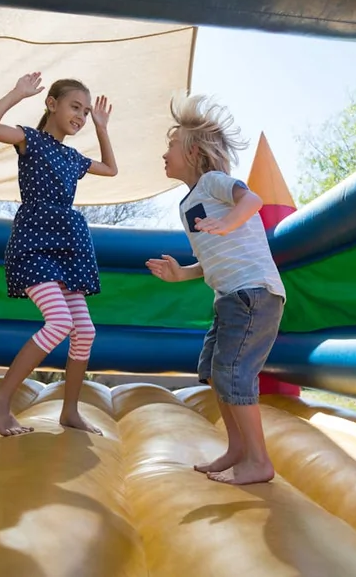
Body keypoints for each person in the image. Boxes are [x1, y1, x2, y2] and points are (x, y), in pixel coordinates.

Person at [146, 94, 285, 485]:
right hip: (229, 297)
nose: (164, 153)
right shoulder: (189, 203)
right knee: (213, 370)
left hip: (253, 294)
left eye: (171, 145)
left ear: (192, 152)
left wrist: (229, 222)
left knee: (233, 372)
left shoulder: (213, 183)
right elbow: (209, 262)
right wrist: (181, 274)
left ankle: (259, 460)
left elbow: (252, 199)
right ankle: (237, 448)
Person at [0, 72, 117, 437]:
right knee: (59, 323)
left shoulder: (73, 157)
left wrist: (102, 127)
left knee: (84, 330)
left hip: (68, 246)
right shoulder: (30, 139)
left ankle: (70, 411)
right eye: (75, 107)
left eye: (86, 112)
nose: (81, 116)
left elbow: (111, 169)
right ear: (51, 105)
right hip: (36, 240)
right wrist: (16, 93)